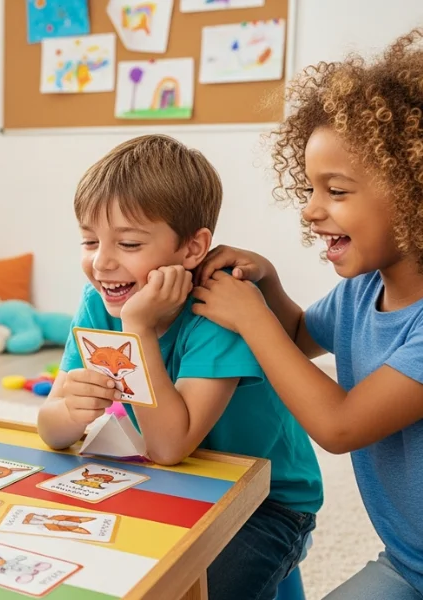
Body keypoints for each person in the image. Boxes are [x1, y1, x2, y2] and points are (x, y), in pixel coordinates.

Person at [37, 134, 322, 600]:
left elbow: (170, 444)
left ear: (193, 249)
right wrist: (68, 414)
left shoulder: (220, 308)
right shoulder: (99, 300)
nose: (102, 262)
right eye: (89, 240)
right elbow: (50, 426)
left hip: (266, 504)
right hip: (170, 483)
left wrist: (138, 328)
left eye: (127, 243)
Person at [193, 28, 423, 600]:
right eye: (312, 187)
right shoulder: (361, 291)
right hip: (408, 562)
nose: (312, 208)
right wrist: (267, 282)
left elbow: (340, 425)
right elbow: (298, 336)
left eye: (336, 191)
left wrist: (251, 319)